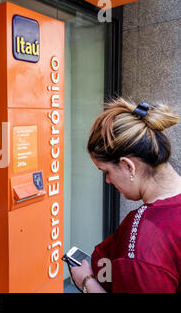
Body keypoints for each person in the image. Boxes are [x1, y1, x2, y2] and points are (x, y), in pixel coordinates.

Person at [70, 98, 181, 293]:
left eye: (106, 172)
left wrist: (86, 282)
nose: (107, 181)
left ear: (128, 166)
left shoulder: (144, 245)